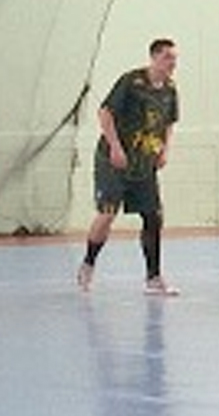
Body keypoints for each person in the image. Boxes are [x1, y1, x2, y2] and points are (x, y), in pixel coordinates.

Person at [77, 39, 181, 296]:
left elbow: (169, 123)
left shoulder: (170, 89)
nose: (172, 63)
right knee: (107, 213)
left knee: (153, 216)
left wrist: (165, 150)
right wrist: (115, 147)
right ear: (154, 57)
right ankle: (88, 263)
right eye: (168, 57)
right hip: (115, 160)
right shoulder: (131, 82)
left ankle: (154, 277)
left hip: (144, 162)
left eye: (174, 58)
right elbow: (105, 113)